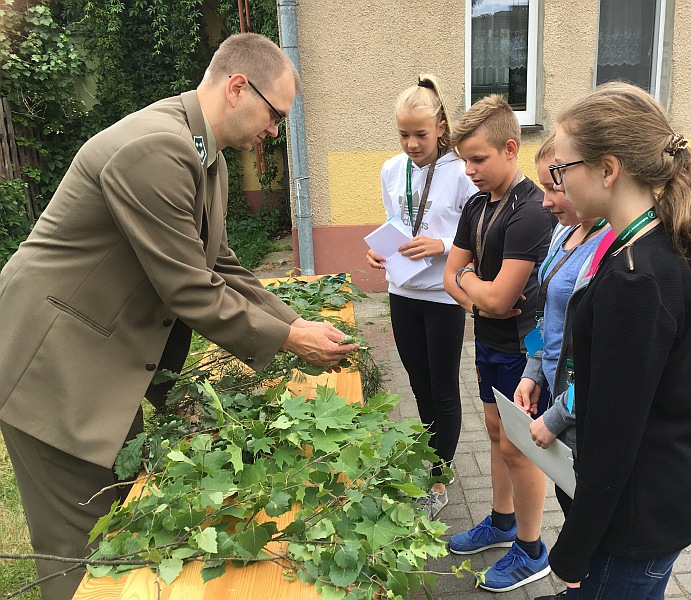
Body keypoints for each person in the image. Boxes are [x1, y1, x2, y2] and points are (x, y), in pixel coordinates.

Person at [0, 33, 358, 600]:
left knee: (124, 520)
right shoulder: (156, 149)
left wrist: (296, 323)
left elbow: (224, 266)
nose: (274, 131)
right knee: (81, 560)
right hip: (52, 366)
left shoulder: (199, 149)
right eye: (275, 115)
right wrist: (290, 339)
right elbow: (190, 288)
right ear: (238, 87)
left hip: (96, 361)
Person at [547, 82, 691, 599]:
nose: (558, 182)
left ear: (608, 170)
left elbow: (615, 439)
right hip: (653, 497)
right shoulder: (644, 243)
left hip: (635, 518)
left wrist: (574, 547)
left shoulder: (637, 280)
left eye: (562, 169)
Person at [443, 94, 556, 593]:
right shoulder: (477, 204)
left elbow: (500, 296)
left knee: (521, 448)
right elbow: (453, 278)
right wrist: (477, 295)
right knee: (495, 433)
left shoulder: (531, 211)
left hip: (521, 349)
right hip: (487, 338)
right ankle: (502, 521)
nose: (469, 170)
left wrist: (474, 288)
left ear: (510, 149)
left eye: (478, 159)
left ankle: (532, 551)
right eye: (464, 160)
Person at [366, 74, 477, 520]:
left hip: (445, 294)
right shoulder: (391, 170)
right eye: (404, 134)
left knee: (442, 386)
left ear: (442, 128)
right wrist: (381, 254)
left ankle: (439, 476)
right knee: (417, 383)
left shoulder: (461, 172)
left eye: (421, 134)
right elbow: (396, 222)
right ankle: (431, 454)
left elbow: (475, 233)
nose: (412, 144)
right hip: (402, 290)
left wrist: (442, 246)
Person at [513, 134, 613, 600]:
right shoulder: (563, 232)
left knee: (588, 516)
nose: (547, 201)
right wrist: (535, 370)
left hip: (580, 411)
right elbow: (549, 318)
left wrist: (558, 416)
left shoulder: (608, 246)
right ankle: (578, 588)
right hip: (556, 395)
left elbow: (605, 364)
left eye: (554, 187)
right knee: (570, 503)